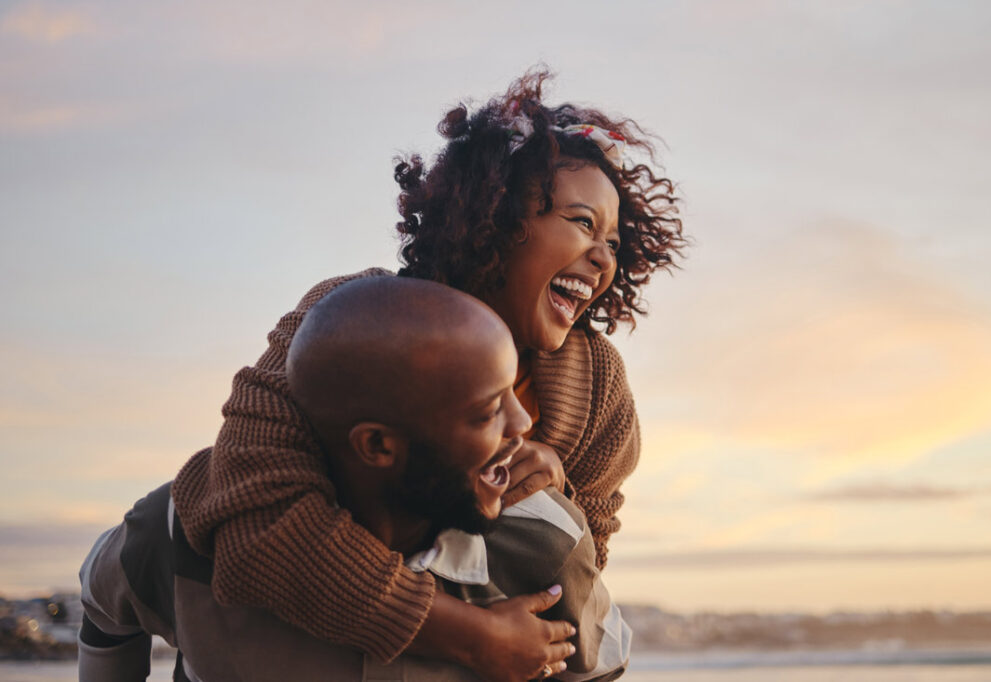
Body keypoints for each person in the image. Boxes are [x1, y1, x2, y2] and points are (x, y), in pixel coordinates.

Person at [171, 68, 685, 681]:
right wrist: (468, 636)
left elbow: (580, 572)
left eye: (614, 240)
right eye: (580, 222)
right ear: (495, 216)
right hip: (287, 643)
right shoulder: (348, 320)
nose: (603, 257)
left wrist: (560, 495)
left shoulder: (597, 385)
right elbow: (256, 520)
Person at [78, 278, 630, 681]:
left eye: (516, 390)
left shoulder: (545, 542)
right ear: (378, 445)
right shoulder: (185, 528)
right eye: (488, 411)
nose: (525, 424)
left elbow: (599, 667)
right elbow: (103, 604)